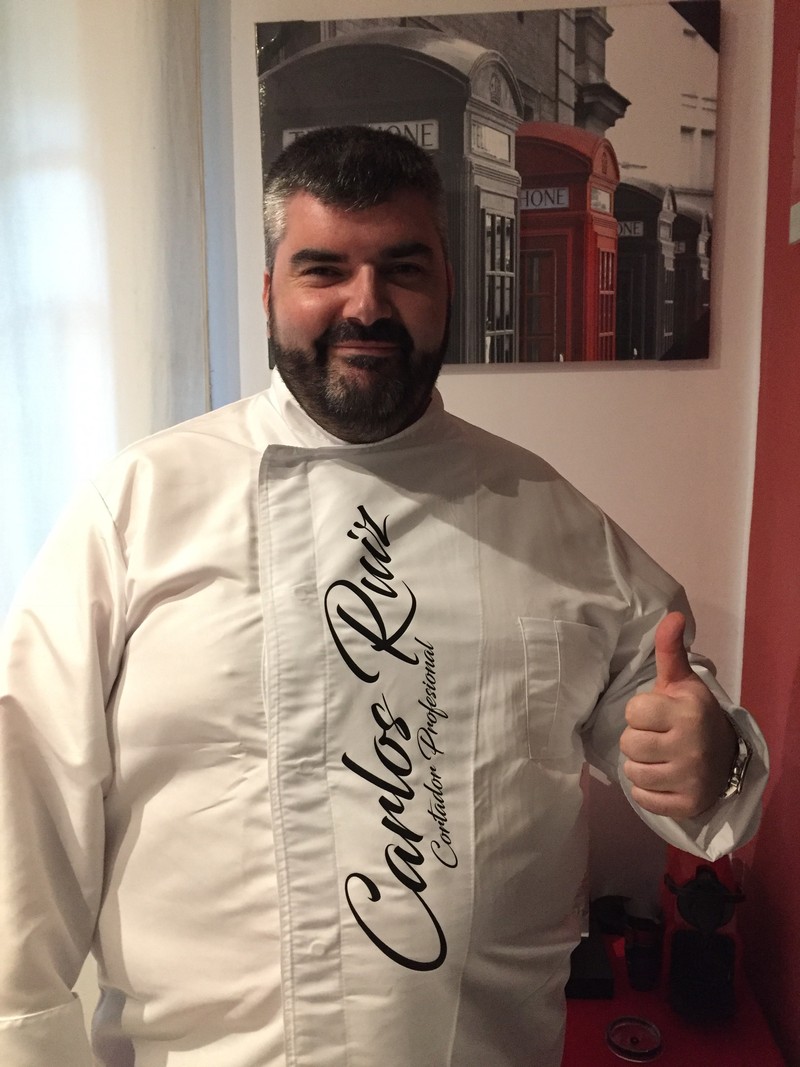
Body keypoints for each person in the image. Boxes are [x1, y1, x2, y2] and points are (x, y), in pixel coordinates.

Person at [0, 126, 767, 1067]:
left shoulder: (552, 520)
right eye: (324, 269)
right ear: (270, 290)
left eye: (402, 268)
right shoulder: (135, 510)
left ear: (449, 287)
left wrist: (710, 754)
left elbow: (686, 733)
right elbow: (26, 803)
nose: (366, 305)